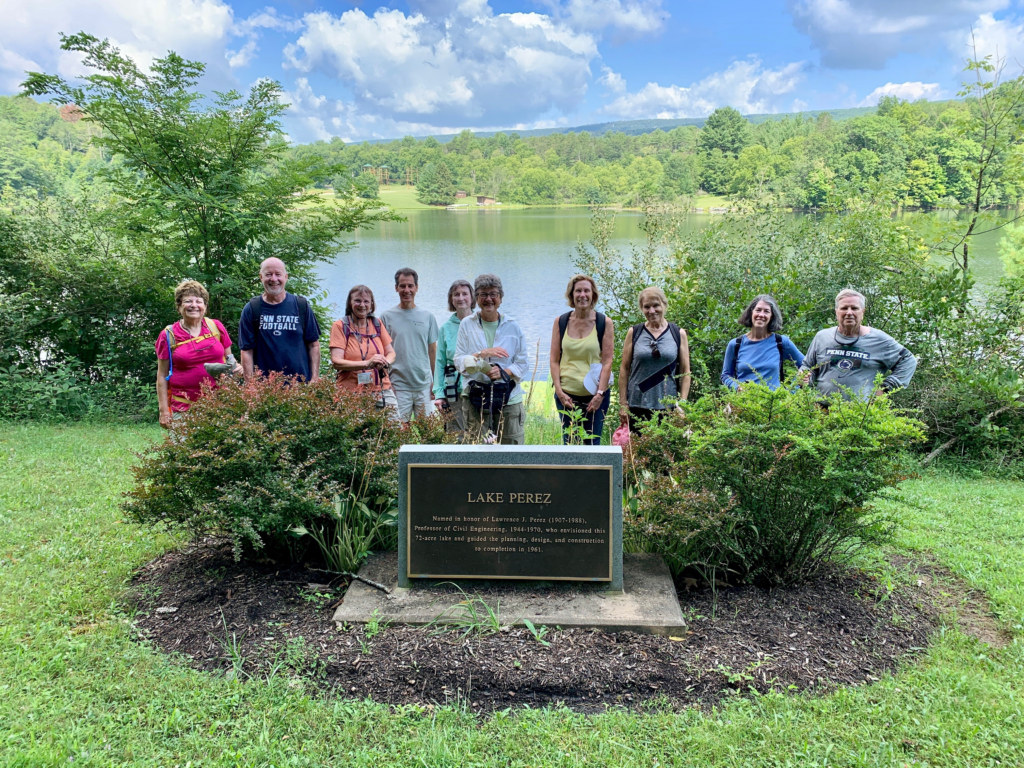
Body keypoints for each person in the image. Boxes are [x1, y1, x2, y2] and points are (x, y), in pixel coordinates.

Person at [800, 288, 918, 400]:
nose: (849, 312)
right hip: (822, 413)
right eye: (844, 308)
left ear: (862, 312)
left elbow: (908, 360)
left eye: (854, 308)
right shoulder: (822, 337)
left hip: (862, 415)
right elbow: (807, 366)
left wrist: (885, 388)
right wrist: (804, 378)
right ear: (836, 312)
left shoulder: (879, 339)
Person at [155, 279, 242, 429]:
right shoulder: (168, 335)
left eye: (198, 301)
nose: (194, 305)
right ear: (179, 306)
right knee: (184, 452)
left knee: (220, 451)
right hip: (184, 408)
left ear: (205, 307)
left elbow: (230, 363)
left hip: (220, 405)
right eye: (188, 301)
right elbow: (162, 375)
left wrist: (238, 369)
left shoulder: (216, 327)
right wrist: (163, 411)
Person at [454, 274, 529, 444]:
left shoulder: (512, 326)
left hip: (509, 399)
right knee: (478, 452)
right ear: (476, 299)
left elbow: (523, 363)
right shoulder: (467, 324)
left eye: (493, 294)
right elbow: (459, 361)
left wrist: (503, 372)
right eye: (483, 295)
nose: (489, 299)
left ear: (500, 298)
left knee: (512, 454)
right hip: (476, 398)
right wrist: (481, 354)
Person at [549, 274, 615, 445]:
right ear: (571, 295)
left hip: (595, 397)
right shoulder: (561, 322)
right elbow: (554, 360)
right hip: (566, 397)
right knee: (570, 444)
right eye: (578, 291)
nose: (582, 295)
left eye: (587, 291)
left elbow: (607, 362)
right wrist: (559, 391)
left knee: (592, 445)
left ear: (593, 295)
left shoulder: (604, 323)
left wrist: (600, 393)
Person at [618, 287, 691, 432]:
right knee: (637, 453)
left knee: (666, 452)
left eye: (656, 305)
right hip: (637, 404)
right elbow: (624, 369)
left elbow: (685, 372)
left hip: (668, 407)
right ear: (642, 308)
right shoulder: (634, 332)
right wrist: (623, 403)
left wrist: (682, 403)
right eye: (647, 307)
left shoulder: (678, 333)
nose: (652, 311)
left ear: (664, 304)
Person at [238, 257, 321, 381]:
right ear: (261, 277)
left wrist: (314, 379)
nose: (273, 279)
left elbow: (314, 345)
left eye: (278, 274)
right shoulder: (252, 308)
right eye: (268, 274)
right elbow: (246, 351)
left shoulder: (301, 306)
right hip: (265, 388)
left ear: (286, 277)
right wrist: (251, 387)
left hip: (300, 388)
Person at [328, 285, 399, 418]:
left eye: (366, 301)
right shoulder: (340, 326)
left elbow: (391, 353)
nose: (362, 305)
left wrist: (385, 362)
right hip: (350, 392)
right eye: (357, 301)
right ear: (350, 303)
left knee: (394, 430)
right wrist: (368, 363)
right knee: (354, 434)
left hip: (381, 389)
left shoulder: (376, 324)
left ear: (372, 304)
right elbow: (336, 362)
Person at [380, 268, 439, 422]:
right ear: (396, 288)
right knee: (397, 434)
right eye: (402, 286)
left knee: (427, 433)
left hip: (423, 386)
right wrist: (386, 382)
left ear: (416, 288)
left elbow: (432, 351)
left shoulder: (428, 317)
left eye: (410, 286)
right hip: (398, 386)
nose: (407, 290)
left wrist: (435, 382)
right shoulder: (386, 317)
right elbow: (382, 353)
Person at [721, 294, 804, 390]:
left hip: (774, 403)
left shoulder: (781, 342)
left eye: (766, 311)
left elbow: (805, 366)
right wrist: (737, 387)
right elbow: (726, 375)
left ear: (772, 316)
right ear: (751, 312)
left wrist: (792, 390)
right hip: (742, 403)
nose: (761, 315)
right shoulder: (736, 344)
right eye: (758, 310)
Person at [432, 279, 476, 431]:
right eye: (456, 294)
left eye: (465, 294)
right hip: (453, 390)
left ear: (472, 297)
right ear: (451, 299)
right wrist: (438, 393)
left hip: (478, 389)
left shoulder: (480, 323)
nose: (461, 298)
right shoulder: (445, 328)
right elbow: (440, 363)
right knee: (456, 436)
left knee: (480, 435)